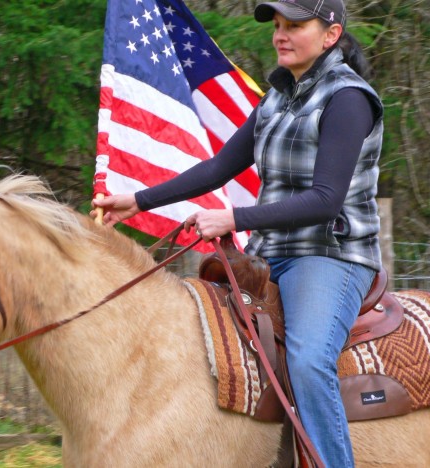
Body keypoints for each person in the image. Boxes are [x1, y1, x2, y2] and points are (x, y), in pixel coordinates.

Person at [92, 0, 383, 466]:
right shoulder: (277, 97)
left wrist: (233, 220)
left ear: (330, 35)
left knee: (308, 363)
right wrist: (139, 200)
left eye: (295, 26)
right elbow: (219, 167)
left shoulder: (349, 99)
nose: (280, 35)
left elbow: (326, 199)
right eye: (278, 26)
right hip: (270, 252)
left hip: (330, 254)